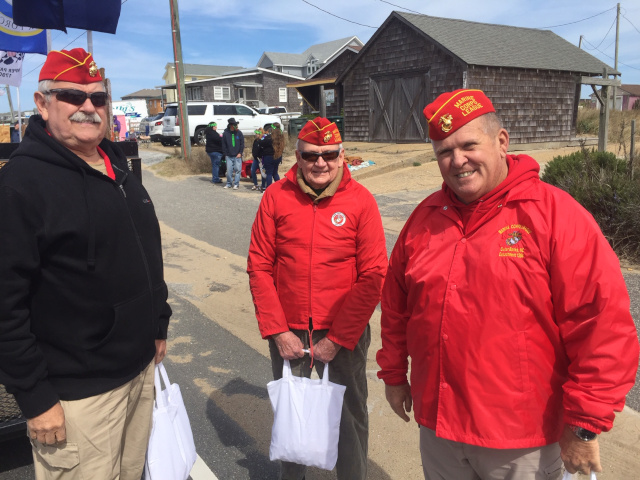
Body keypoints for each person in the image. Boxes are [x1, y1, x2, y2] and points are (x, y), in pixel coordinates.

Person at [376, 89, 639, 480]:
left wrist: (585, 423)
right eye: (444, 151)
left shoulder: (555, 216)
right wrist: (395, 376)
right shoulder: (424, 219)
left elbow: (602, 325)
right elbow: (397, 309)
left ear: (501, 141)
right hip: (440, 428)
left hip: (520, 440)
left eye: (469, 145)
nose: (457, 161)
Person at [0, 48, 172, 480]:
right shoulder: (21, 184)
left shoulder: (117, 166)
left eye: (98, 97)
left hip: (138, 371)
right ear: (42, 104)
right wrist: (35, 397)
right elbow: (5, 303)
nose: (89, 107)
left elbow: (144, 254)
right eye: (73, 96)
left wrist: (158, 323)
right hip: (76, 395)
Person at [247, 117, 388, 480]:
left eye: (329, 154)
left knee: (349, 416)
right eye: (311, 155)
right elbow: (259, 266)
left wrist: (338, 338)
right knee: (292, 416)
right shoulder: (276, 196)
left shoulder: (361, 201)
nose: (320, 163)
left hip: (342, 332)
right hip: (290, 330)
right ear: (298, 156)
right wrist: (278, 331)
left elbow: (374, 274)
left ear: (342, 156)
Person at [222, 117, 244, 190]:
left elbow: (242, 144)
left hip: (237, 155)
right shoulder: (226, 133)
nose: (236, 126)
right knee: (229, 171)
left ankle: (236, 184)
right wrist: (225, 153)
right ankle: (229, 183)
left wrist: (240, 152)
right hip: (229, 155)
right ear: (231, 125)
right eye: (234, 125)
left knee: (238, 170)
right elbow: (223, 144)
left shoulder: (239, 133)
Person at [258, 123, 278, 189]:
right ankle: (280, 187)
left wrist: (260, 138)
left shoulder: (269, 137)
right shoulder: (279, 137)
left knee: (269, 173)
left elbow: (261, 143)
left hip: (269, 156)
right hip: (277, 156)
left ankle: (269, 188)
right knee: (275, 173)